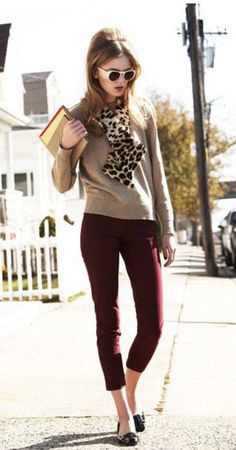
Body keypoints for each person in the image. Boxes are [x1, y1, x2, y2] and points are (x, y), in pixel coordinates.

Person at [52, 27, 176, 446]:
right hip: (99, 224)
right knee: (109, 322)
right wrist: (66, 146)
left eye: (129, 73)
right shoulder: (74, 115)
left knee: (154, 325)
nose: (123, 82)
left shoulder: (143, 113)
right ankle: (123, 414)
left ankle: (131, 389)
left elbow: (157, 175)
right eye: (114, 74)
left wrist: (167, 227)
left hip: (141, 223)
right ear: (95, 71)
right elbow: (63, 183)